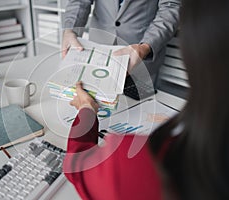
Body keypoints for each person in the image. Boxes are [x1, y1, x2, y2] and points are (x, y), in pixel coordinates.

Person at [63, 0, 229, 199]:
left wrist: (86, 112)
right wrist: (69, 30)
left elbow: (78, 166)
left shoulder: (134, 160)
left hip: (141, 63)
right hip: (98, 57)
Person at [62, 0, 181, 79]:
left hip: (140, 56)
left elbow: (170, 7)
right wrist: (70, 30)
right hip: (98, 51)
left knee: (139, 112)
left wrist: (145, 47)